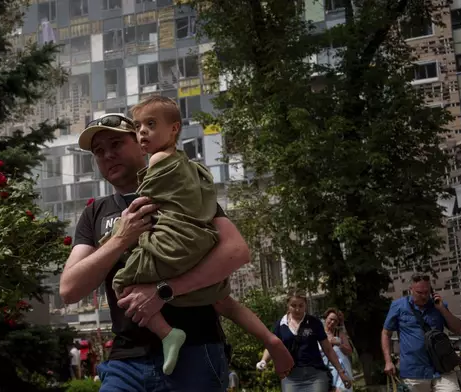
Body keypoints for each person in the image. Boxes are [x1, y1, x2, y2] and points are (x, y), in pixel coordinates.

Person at [60, 111, 292, 391]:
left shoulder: (180, 193)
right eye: (99, 151)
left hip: (195, 352)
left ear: (141, 143)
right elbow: (69, 289)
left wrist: (163, 291)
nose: (107, 155)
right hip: (126, 361)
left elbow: (236, 251)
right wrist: (120, 238)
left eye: (116, 144)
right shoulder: (94, 213)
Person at [381, 273, 461, 392]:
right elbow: (386, 333)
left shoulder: (438, 305)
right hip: (413, 371)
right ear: (411, 290)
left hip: (442, 368)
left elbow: (458, 329)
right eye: (420, 293)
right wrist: (388, 362)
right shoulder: (398, 306)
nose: (424, 296)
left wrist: (442, 309)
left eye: (427, 292)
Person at [257, 290, 353, 392]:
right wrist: (264, 360)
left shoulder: (314, 322)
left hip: (315, 375)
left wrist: (341, 372)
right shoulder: (281, 324)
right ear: (288, 305)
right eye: (293, 306)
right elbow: (272, 346)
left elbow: (328, 349)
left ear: (305, 305)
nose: (297, 309)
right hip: (291, 377)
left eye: (301, 305)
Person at [321, 308, 353, 392]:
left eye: (335, 321)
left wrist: (339, 344)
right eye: (331, 319)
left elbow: (349, 351)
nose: (332, 322)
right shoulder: (319, 333)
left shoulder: (339, 334)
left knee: (341, 390)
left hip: (341, 368)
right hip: (324, 368)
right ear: (326, 318)